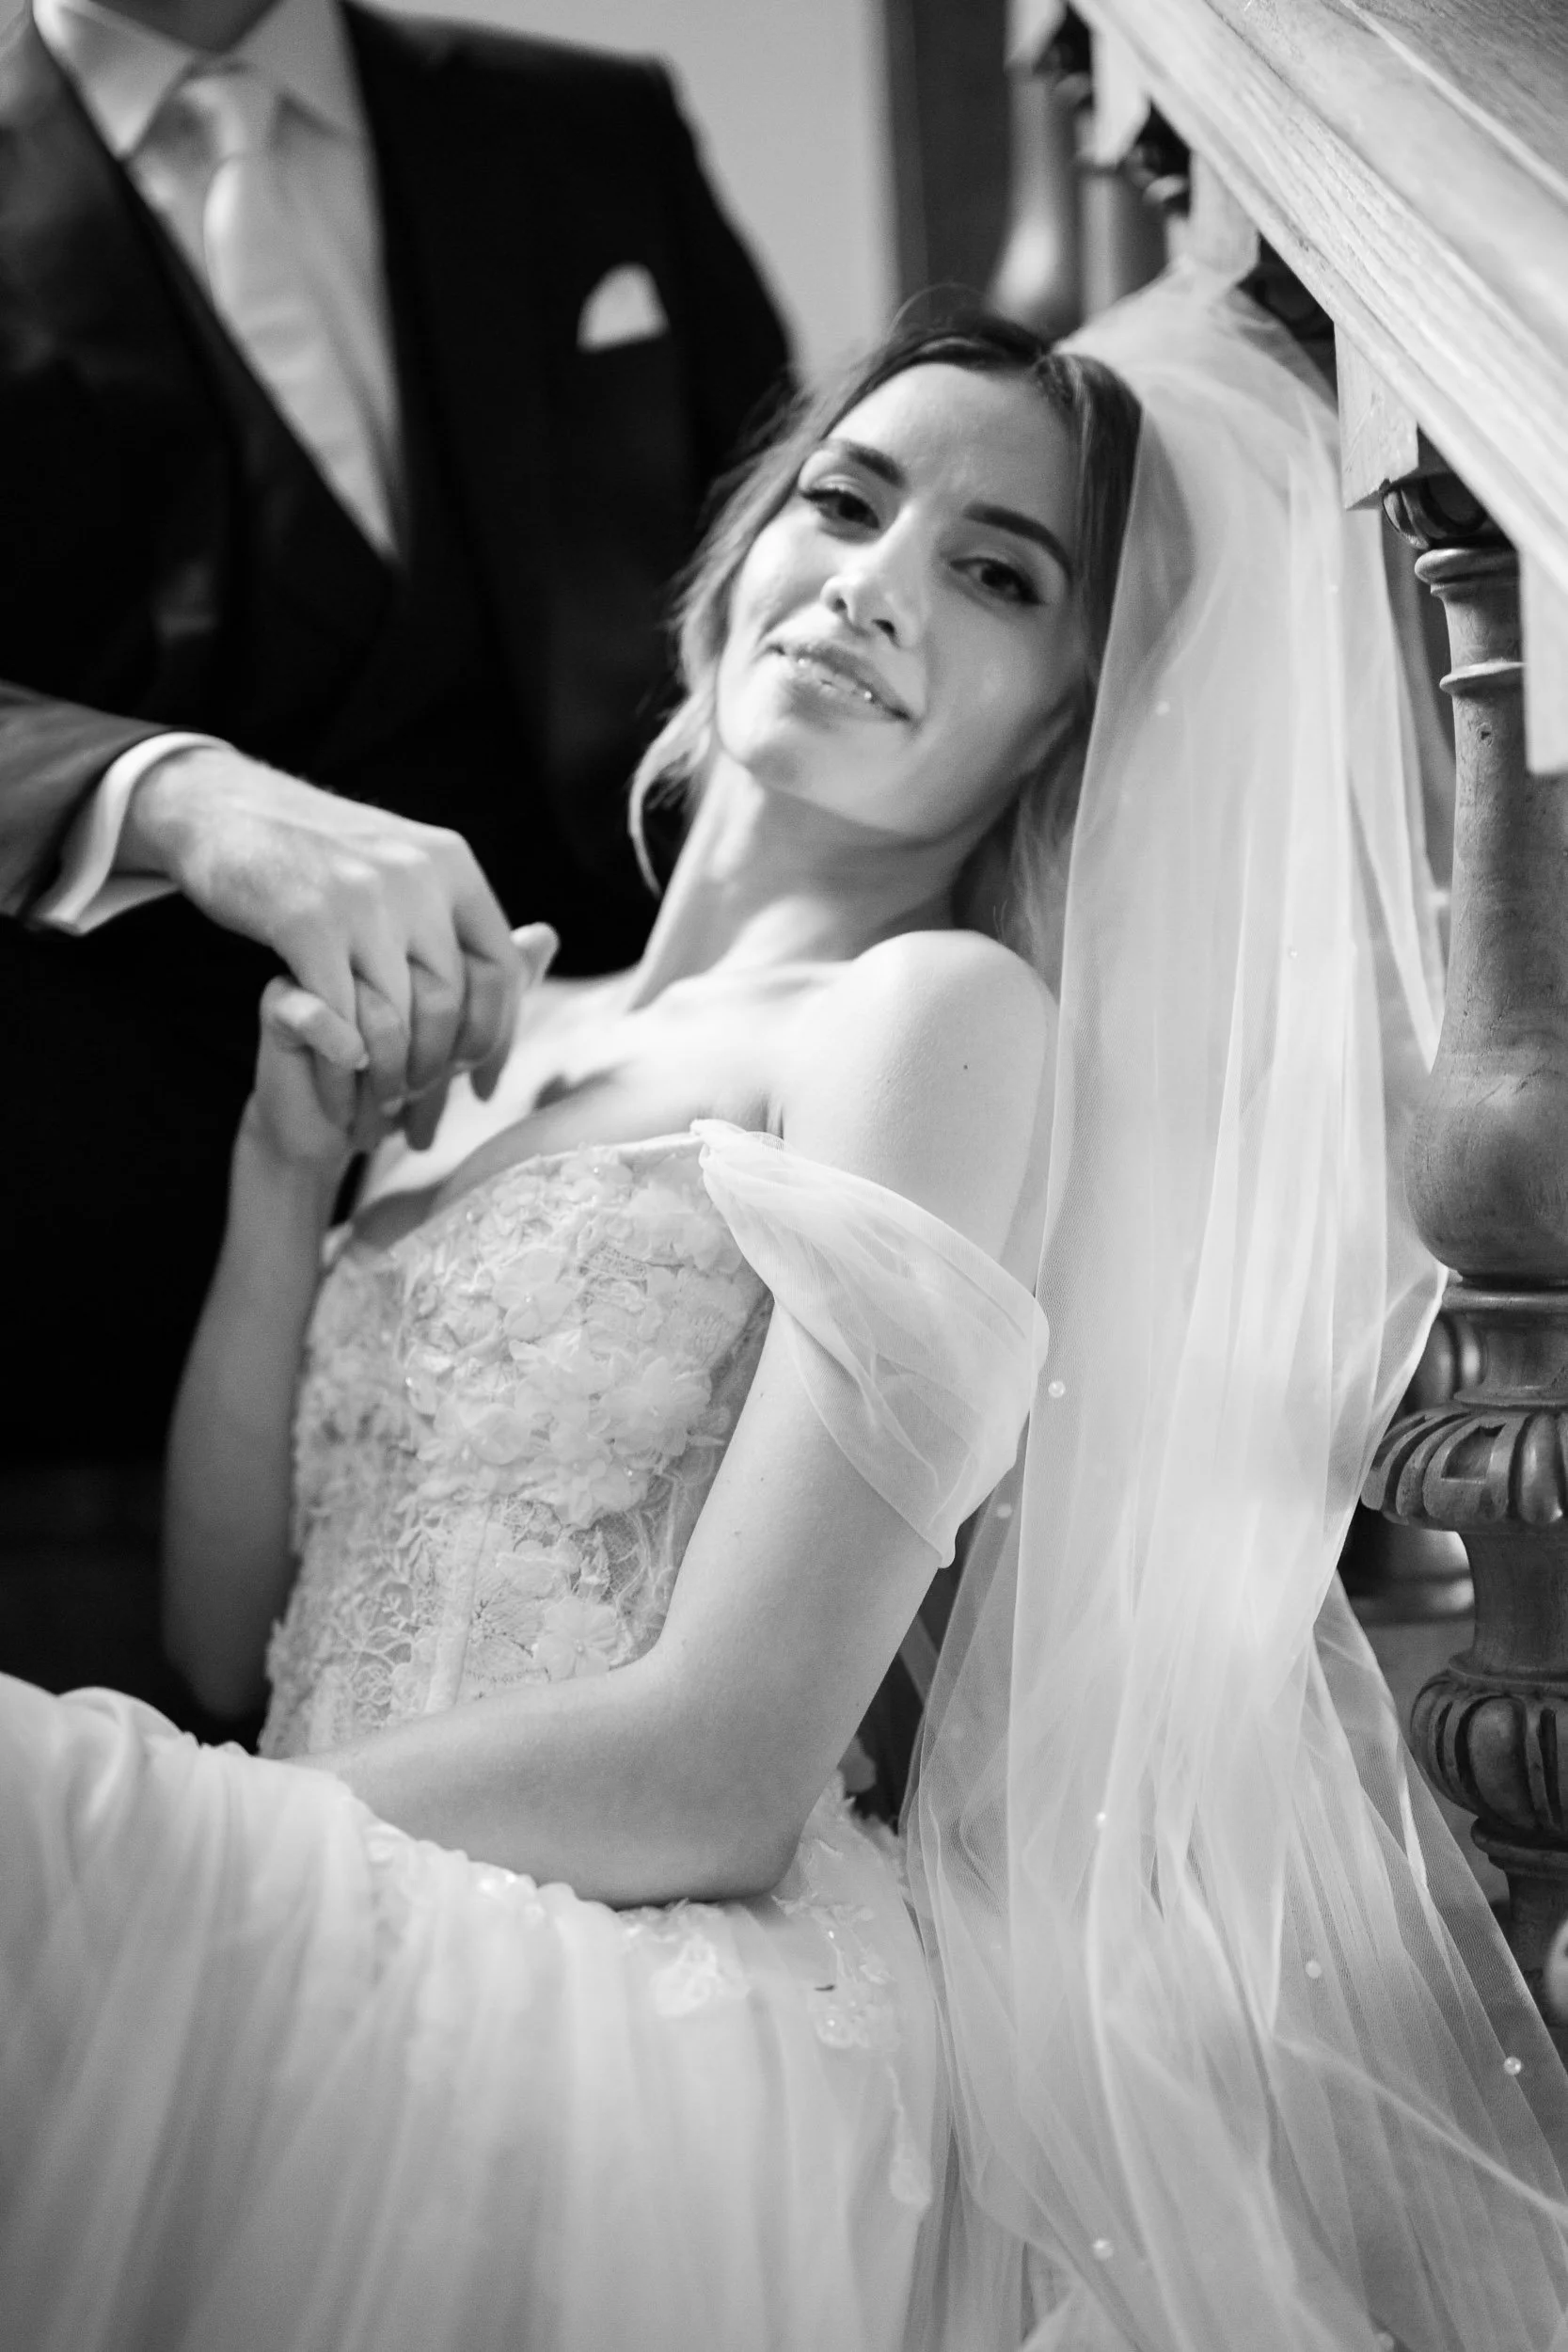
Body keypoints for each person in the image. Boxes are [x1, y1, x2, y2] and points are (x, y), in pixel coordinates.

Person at [3, 272, 1567, 2352]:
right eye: (845, 501)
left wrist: (188, 1838)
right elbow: (231, 1639)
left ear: (1068, 717)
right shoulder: (504, 1031)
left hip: (619, 1983)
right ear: (741, 554)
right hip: (329, 1908)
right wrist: (282, 1182)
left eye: (994, 572)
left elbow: (724, 1770)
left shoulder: (925, 1018)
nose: (873, 585)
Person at [0, 0, 790, 1462]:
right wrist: (166, 794)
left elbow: (773, 550)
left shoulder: (587, 127)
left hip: (626, 1277)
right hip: (81, 1301)